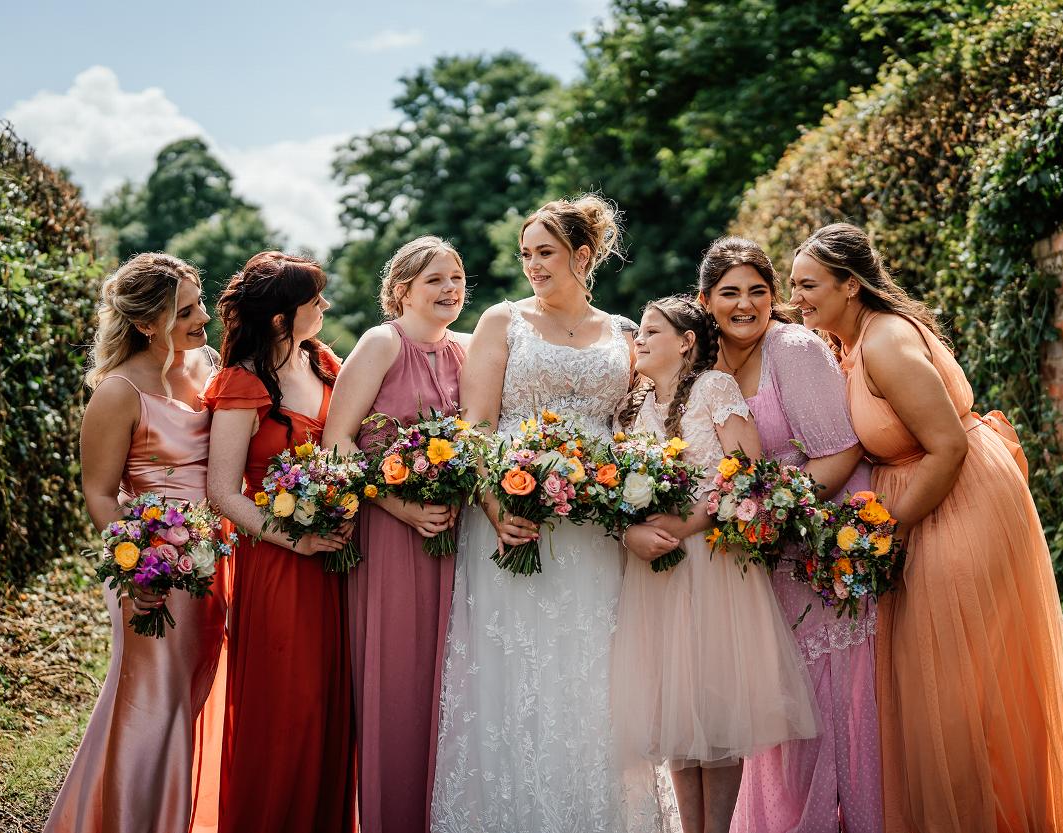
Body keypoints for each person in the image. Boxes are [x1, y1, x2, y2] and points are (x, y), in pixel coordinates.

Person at [791, 222, 1063, 832]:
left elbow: (946, 447)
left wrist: (888, 527)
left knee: (956, 683)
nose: (796, 298)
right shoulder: (846, 339)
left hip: (954, 503)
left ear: (850, 286)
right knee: (928, 680)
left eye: (808, 285)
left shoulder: (884, 343)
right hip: (917, 502)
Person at [430, 195, 671, 832]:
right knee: (515, 674)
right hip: (512, 520)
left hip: (596, 530)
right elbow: (477, 427)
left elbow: (637, 428)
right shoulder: (502, 322)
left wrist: (636, 492)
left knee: (594, 677)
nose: (532, 265)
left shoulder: (623, 333)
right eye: (526, 255)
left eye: (545, 253)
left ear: (582, 256)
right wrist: (496, 505)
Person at [611, 296, 819, 833]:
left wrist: (687, 524)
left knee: (715, 706)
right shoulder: (631, 405)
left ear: (686, 341)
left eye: (651, 331)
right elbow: (610, 489)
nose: (639, 339)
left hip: (712, 565)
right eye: (639, 331)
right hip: (654, 571)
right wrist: (630, 530)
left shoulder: (713, 389)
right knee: (678, 716)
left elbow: (745, 473)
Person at [695, 237, 881, 833]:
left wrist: (779, 514)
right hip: (753, 554)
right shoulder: (705, 363)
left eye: (758, 291)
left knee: (830, 702)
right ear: (706, 301)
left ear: (774, 298)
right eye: (730, 293)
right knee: (775, 708)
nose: (745, 305)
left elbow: (842, 449)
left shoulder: (794, 349)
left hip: (817, 541)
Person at [46, 254, 227, 833]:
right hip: (152, 568)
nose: (203, 318)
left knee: (200, 686)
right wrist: (141, 566)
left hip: (215, 557)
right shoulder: (119, 392)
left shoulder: (209, 366)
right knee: (152, 699)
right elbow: (99, 494)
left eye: (200, 303)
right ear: (148, 322)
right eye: (186, 311)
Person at [204, 252, 357, 833]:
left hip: (338, 561)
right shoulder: (242, 381)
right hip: (279, 564)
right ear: (278, 318)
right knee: (288, 707)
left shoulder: (323, 363)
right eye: (315, 301)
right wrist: (298, 540)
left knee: (328, 708)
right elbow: (223, 491)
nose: (325, 308)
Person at [322, 236, 469, 833]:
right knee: (400, 684)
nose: (451, 289)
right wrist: (401, 507)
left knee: (451, 684)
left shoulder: (466, 349)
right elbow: (336, 439)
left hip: (458, 538)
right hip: (389, 538)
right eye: (436, 279)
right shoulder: (382, 342)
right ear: (402, 288)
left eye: (458, 278)